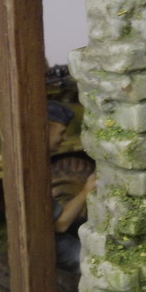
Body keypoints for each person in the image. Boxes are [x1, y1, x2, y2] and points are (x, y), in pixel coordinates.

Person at [47, 110, 95, 274]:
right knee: (93, 263)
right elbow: (60, 225)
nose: (65, 137)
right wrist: (87, 190)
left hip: (50, 229)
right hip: (46, 240)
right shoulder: (33, 171)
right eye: (61, 132)